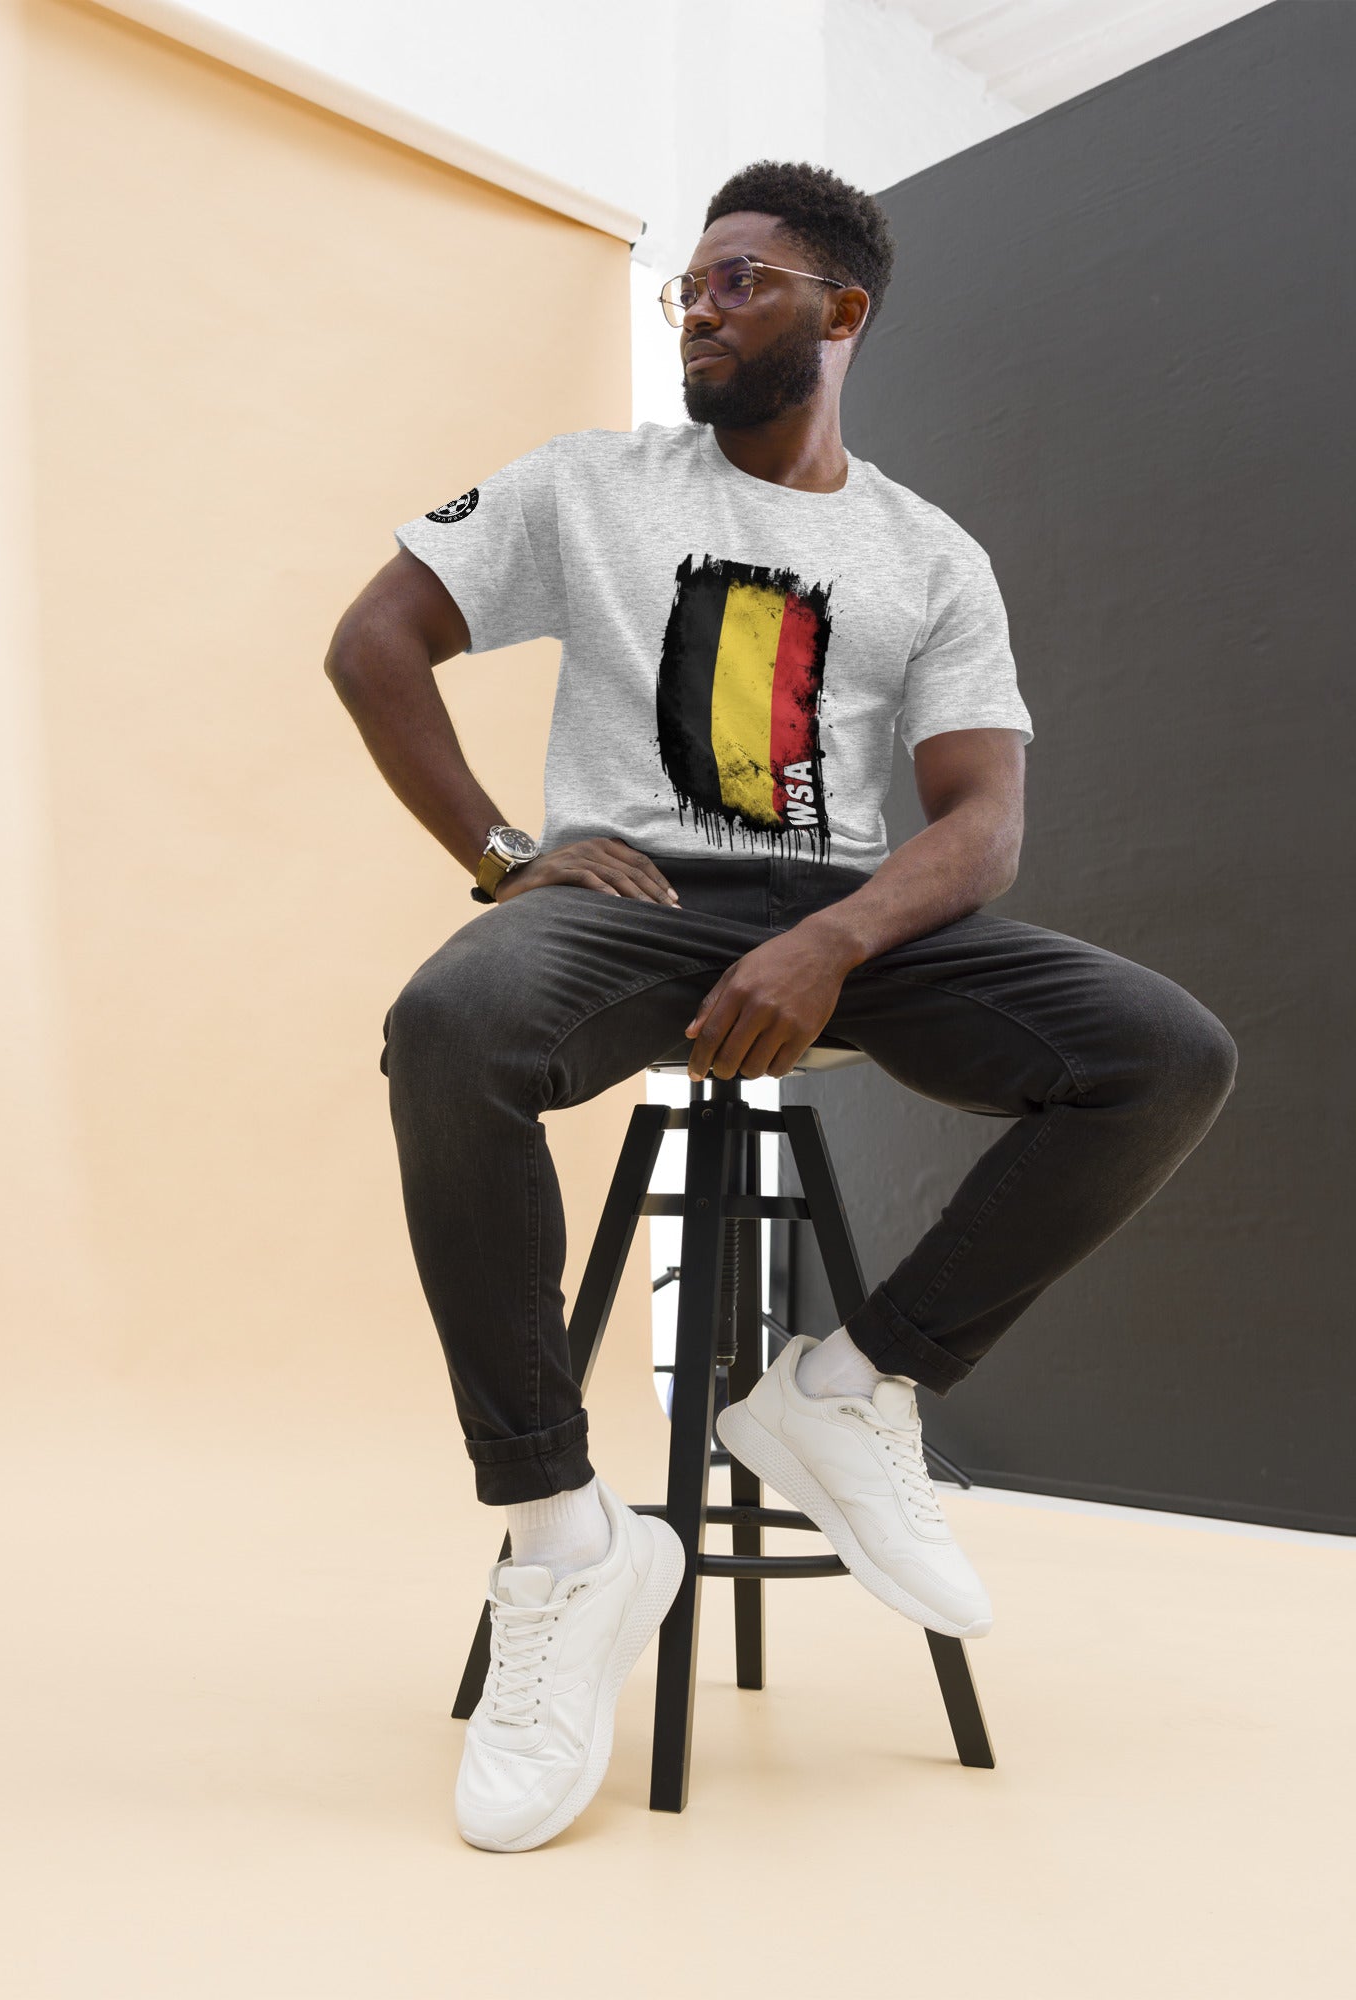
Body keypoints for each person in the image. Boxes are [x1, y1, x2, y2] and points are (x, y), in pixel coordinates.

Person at [325, 160, 1237, 1852]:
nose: (699, 305)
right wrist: (509, 852)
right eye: (688, 284)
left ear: (841, 312)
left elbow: (982, 823)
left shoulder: (926, 554)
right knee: (449, 1030)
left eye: (739, 281)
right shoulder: (587, 486)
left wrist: (832, 944)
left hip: (850, 915)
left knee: (1163, 1053)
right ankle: (563, 1543)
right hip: (636, 903)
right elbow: (373, 641)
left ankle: (845, 1389)